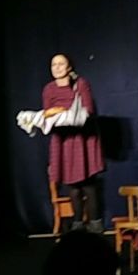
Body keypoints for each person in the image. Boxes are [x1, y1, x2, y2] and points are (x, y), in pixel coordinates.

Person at [42, 53, 105, 233]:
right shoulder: (49, 89)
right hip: (63, 140)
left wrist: (67, 114)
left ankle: (95, 224)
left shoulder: (80, 84)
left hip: (82, 138)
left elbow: (88, 109)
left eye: (61, 64)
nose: (57, 68)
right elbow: (47, 113)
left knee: (88, 183)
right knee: (73, 185)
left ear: (69, 67)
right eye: (53, 64)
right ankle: (77, 225)